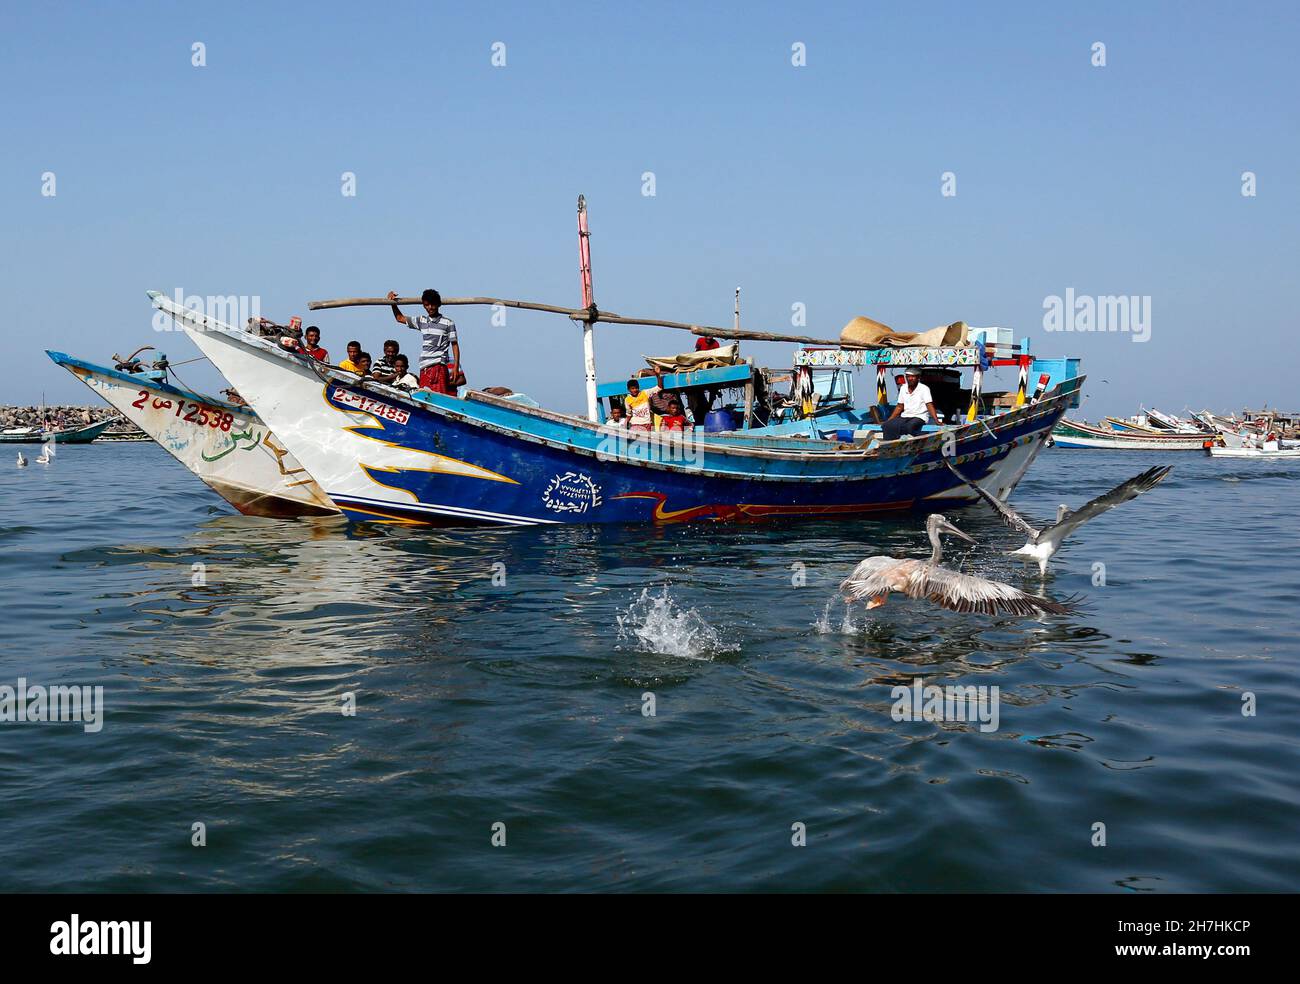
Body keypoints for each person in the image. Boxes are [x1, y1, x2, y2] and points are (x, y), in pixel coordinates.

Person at [387, 289, 461, 395]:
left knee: (438, 399)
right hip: (424, 368)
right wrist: (392, 303)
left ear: (438, 304)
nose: (430, 308)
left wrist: (455, 367)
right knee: (424, 399)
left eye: (433, 305)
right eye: (427, 305)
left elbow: (455, 345)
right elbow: (399, 318)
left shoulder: (448, 323)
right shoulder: (422, 321)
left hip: (438, 367)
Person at [881, 368, 939, 440]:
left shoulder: (924, 389)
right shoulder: (903, 388)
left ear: (918, 378)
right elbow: (899, 407)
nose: (910, 378)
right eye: (908, 376)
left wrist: (936, 420)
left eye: (913, 376)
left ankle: (914, 441)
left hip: (919, 416)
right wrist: (889, 420)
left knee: (909, 427)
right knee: (887, 425)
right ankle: (889, 443)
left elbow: (929, 405)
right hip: (905, 416)